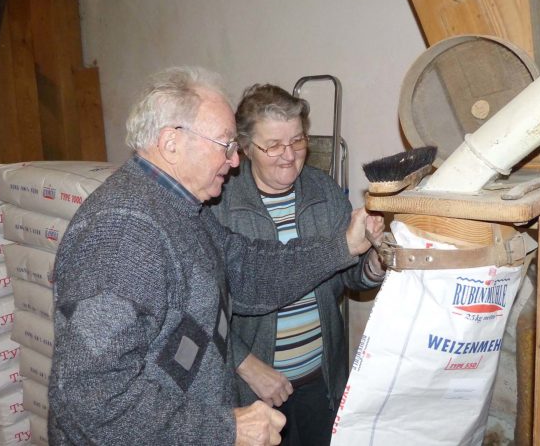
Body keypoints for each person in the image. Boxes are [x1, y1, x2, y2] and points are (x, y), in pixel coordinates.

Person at [48, 67, 383, 446]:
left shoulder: (181, 211)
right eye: (225, 145)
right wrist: (227, 429)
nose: (235, 160)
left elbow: (250, 271)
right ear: (172, 143)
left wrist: (345, 246)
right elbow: (90, 401)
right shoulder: (122, 234)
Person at [211, 84, 385, 445]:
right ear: (245, 148)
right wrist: (245, 364)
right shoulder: (221, 204)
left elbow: (350, 276)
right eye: (273, 145)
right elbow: (203, 308)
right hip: (252, 389)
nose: (289, 156)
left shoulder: (322, 190)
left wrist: (377, 258)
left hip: (320, 378)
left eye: (297, 141)